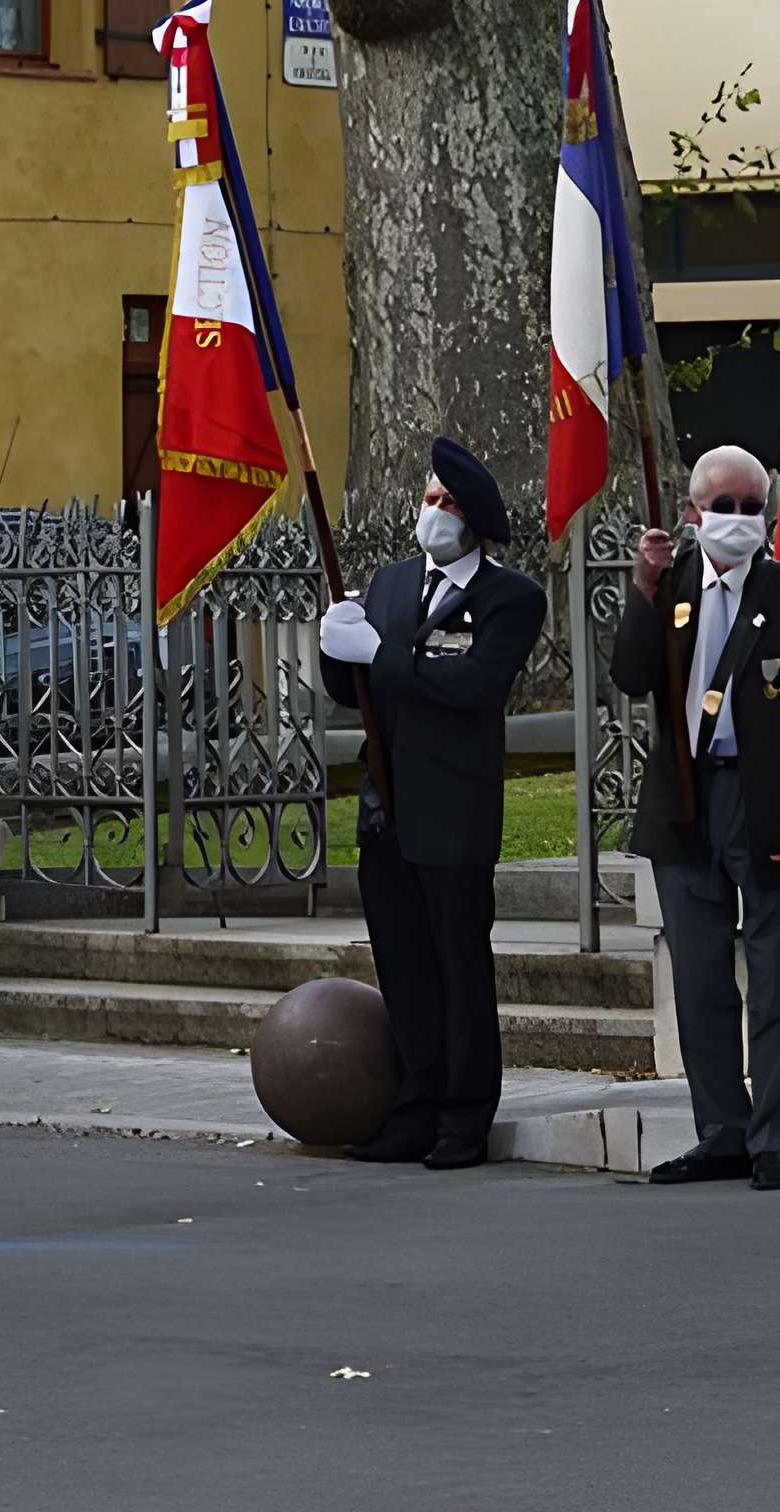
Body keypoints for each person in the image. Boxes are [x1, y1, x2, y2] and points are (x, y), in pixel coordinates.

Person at [611, 444, 780, 1191]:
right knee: (700, 979)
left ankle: (774, 1138)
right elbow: (629, 674)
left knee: (776, 978)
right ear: (693, 513)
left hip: (768, 806)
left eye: (753, 508)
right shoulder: (670, 586)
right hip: (686, 805)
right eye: (724, 507)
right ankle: (721, 1130)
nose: (739, 519)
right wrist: (643, 590)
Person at [314, 438, 545, 1171]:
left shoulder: (509, 598)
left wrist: (379, 655)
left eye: (448, 503)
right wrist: (335, 648)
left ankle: (464, 1116)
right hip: (387, 810)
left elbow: (473, 687)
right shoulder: (391, 584)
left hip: (453, 810)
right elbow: (358, 690)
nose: (434, 512)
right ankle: (415, 1108)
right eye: (429, 498)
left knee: (458, 967)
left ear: (473, 519)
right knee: (405, 968)